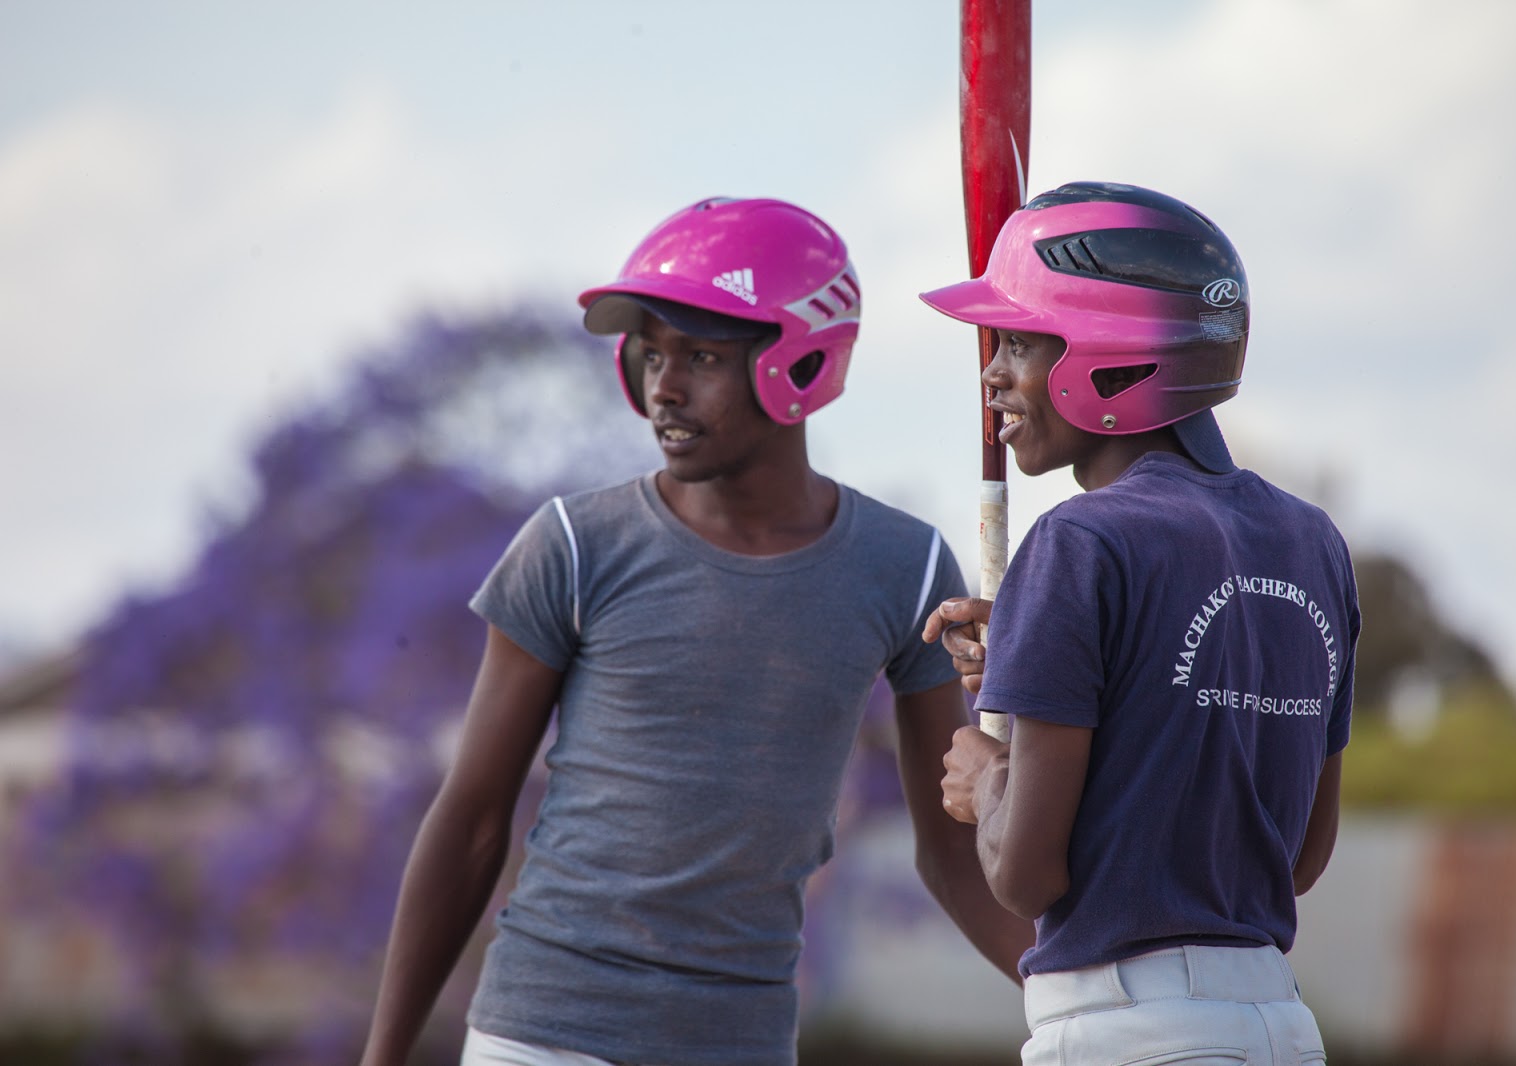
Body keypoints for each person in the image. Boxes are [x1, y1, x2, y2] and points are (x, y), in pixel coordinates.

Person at [359, 195, 1033, 1066]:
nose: (663, 385)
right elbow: (473, 821)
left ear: (802, 365)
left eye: (702, 356)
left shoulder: (903, 570)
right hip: (540, 1037)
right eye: (650, 352)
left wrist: (1081, 996)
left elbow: (951, 850)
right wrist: (383, 1056)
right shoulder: (573, 546)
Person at [918, 181, 1360, 1065]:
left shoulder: (1078, 541)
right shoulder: (1314, 540)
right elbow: (1299, 859)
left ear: (1107, 357)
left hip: (1131, 1034)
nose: (991, 374)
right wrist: (1038, 645)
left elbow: (1023, 874)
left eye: (1017, 342)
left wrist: (989, 778)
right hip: (1279, 1027)